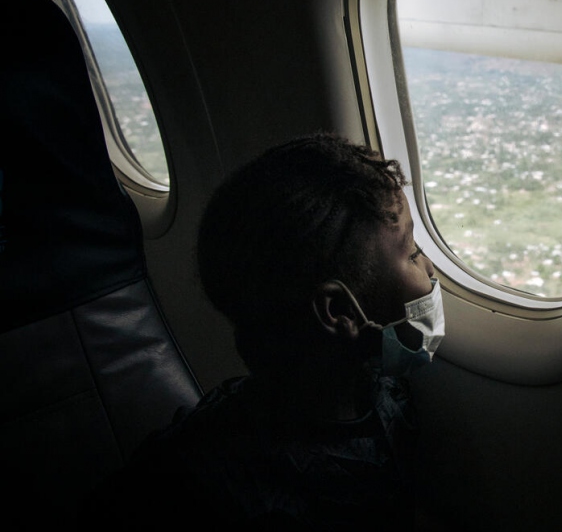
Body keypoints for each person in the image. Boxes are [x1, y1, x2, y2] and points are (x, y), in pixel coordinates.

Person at [80, 132, 444, 530]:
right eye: (411, 252)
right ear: (339, 312)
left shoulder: (385, 395)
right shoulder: (209, 485)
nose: (429, 269)